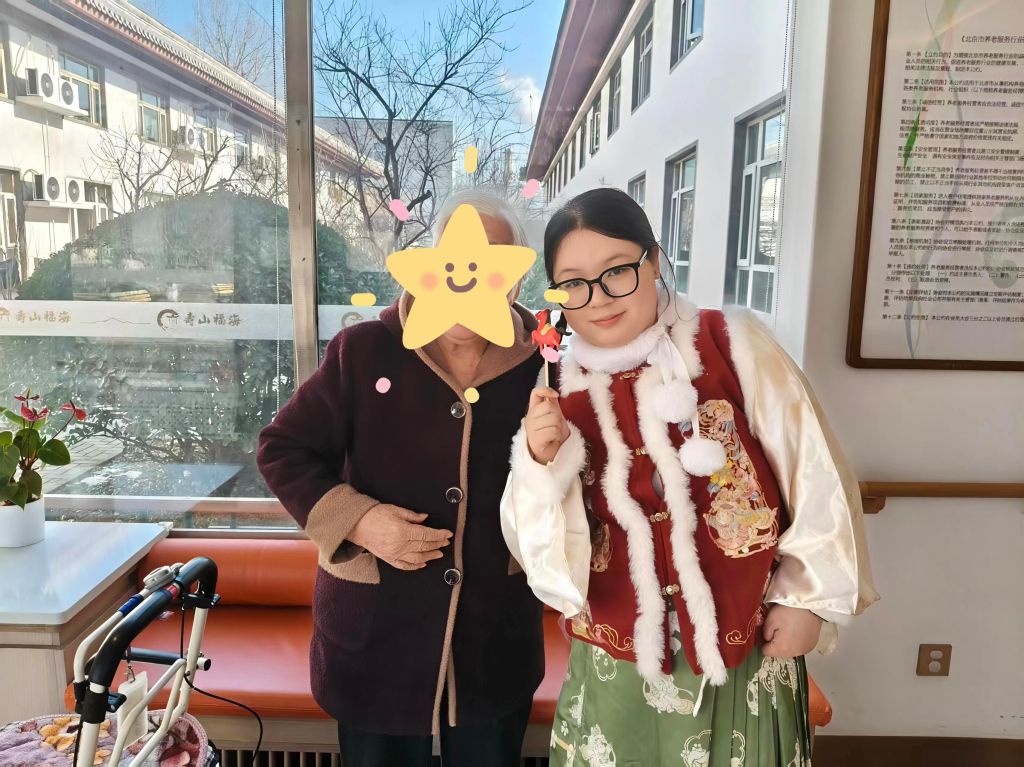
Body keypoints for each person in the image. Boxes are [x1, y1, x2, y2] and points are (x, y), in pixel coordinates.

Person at [500, 187, 878, 766]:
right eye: (573, 283)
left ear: (654, 261)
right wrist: (538, 462)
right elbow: (537, 550)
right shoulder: (556, 387)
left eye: (617, 271)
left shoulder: (732, 344)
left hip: (747, 645)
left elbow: (816, 472)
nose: (598, 299)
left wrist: (808, 600)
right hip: (618, 661)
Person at [258, 189, 545, 767]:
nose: (469, 277)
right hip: (374, 638)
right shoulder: (364, 351)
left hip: (493, 638)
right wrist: (359, 522)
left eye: (492, 261)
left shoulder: (543, 366)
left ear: (514, 283)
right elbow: (283, 449)